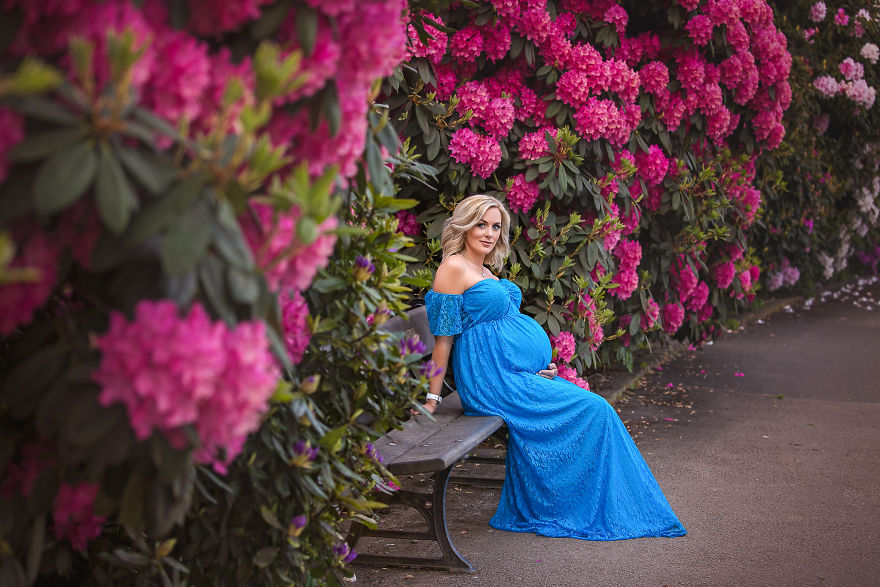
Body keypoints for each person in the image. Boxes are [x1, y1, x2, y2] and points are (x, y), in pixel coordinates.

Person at [418, 194, 686, 540]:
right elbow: (444, 339)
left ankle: (587, 502)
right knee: (595, 408)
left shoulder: (484, 270)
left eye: (496, 226)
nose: (489, 233)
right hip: (490, 381)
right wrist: (432, 399)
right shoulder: (453, 268)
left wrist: (530, 366)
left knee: (595, 409)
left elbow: (504, 330)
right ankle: (576, 505)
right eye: (481, 224)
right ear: (465, 225)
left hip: (513, 374)